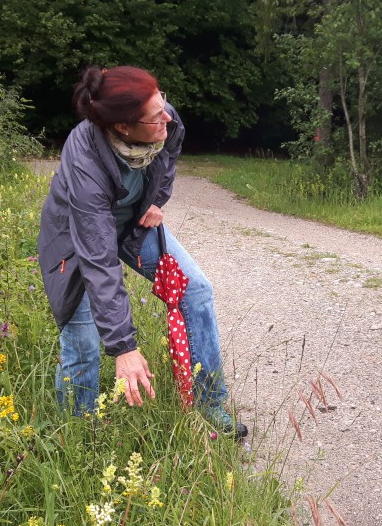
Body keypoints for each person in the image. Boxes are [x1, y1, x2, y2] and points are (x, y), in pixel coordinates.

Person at [37, 65, 247, 437]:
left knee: (194, 290)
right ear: (123, 127)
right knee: (83, 336)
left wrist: (155, 199)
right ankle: (79, 433)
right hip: (78, 236)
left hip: (133, 223)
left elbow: (171, 150)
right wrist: (124, 348)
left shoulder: (163, 118)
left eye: (162, 102)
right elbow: (98, 260)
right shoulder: (85, 158)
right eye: (154, 116)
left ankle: (209, 405)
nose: (166, 115)